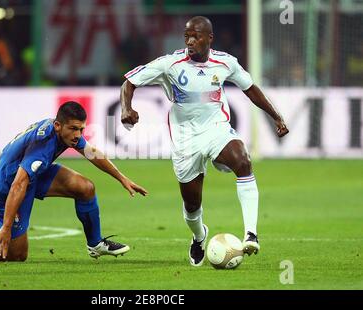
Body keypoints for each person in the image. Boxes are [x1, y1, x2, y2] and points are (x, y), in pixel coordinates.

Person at [120, 16, 288, 267]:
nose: (190, 41)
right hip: (185, 138)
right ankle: (199, 236)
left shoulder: (226, 63)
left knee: (242, 160)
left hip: (216, 129)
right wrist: (126, 109)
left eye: (196, 36)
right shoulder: (170, 63)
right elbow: (130, 82)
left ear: (209, 38)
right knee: (191, 204)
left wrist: (277, 117)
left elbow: (251, 88)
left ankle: (251, 233)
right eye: (186, 36)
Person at [0, 101, 148, 262]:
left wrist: (122, 178)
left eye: (81, 129)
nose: (78, 135)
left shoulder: (62, 130)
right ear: (58, 126)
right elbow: (19, 184)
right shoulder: (43, 144)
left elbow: (91, 152)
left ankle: (95, 244)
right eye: (74, 129)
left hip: (32, 177)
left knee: (85, 188)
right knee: (16, 254)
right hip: (7, 189)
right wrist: (6, 227)